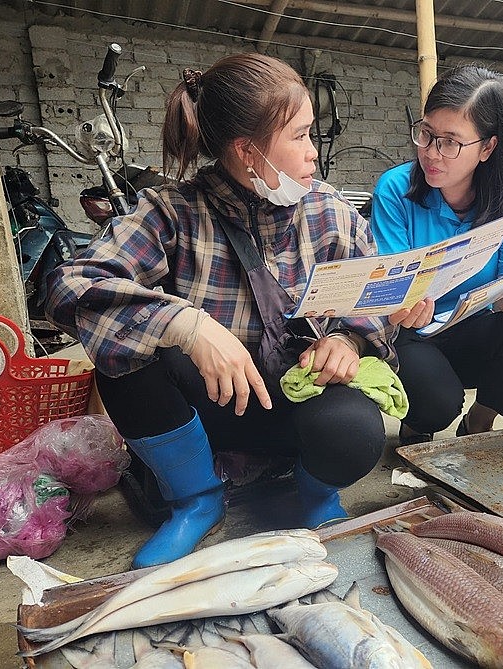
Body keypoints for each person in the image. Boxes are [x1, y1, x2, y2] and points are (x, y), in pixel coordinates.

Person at [45, 53, 398, 568]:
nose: (313, 154)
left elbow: (375, 301)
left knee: (354, 431)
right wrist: (183, 323)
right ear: (248, 152)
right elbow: (68, 286)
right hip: (209, 414)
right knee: (122, 360)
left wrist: (348, 341)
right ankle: (196, 501)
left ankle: (317, 495)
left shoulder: (331, 213)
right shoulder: (172, 213)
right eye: (299, 136)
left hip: (298, 404)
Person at [369, 65, 503, 445]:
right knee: (437, 403)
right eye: (426, 134)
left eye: (450, 142)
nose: (431, 153)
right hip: (415, 331)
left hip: (476, 323)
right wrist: (400, 306)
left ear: (488, 147)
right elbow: (389, 288)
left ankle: (479, 421)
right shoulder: (396, 188)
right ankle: (418, 422)